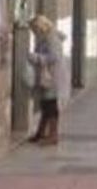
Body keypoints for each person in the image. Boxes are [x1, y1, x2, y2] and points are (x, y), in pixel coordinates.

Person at [27, 15, 67, 146]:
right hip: (47, 76)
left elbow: (53, 57)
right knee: (45, 105)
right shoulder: (44, 38)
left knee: (50, 105)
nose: (33, 32)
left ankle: (53, 135)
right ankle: (41, 132)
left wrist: (36, 58)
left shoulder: (51, 38)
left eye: (34, 29)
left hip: (51, 77)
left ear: (41, 27)